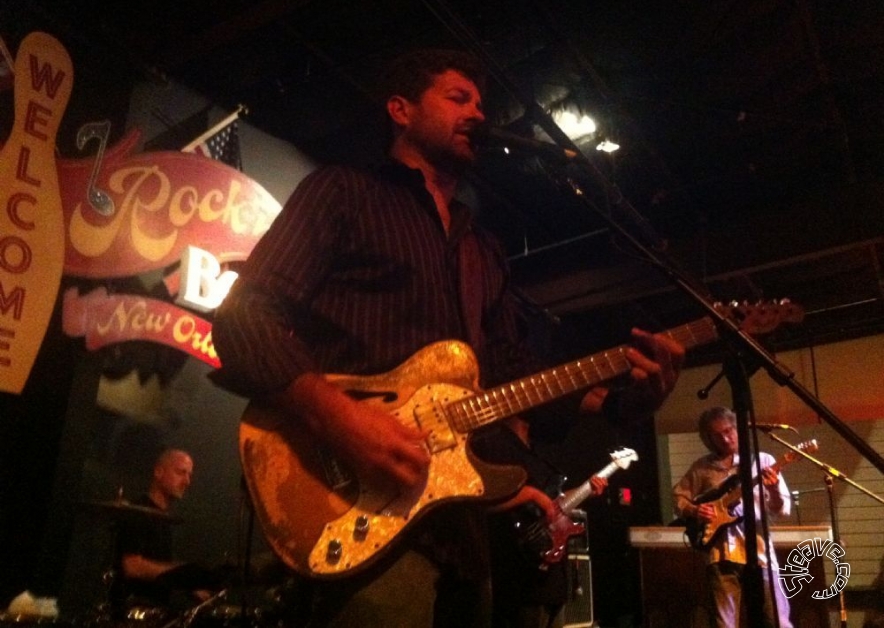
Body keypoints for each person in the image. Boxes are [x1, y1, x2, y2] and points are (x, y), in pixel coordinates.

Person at [210, 47, 684, 628]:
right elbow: (244, 315)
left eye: (481, 104)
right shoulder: (342, 193)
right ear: (401, 109)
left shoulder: (481, 249)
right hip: (355, 507)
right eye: (458, 98)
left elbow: (510, 373)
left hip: (461, 525)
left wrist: (618, 398)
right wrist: (339, 417)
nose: (477, 113)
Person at [472, 414, 609, 628]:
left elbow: (555, 503)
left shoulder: (535, 449)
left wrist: (587, 490)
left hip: (552, 576)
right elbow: (480, 501)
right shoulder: (494, 444)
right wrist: (531, 495)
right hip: (520, 573)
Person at [673, 406, 793, 628]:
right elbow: (678, 497)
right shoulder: (702, 467)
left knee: (776, 620)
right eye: (717, 435)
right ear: (708, 439)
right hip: (720, 554)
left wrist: (774, 488)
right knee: (724, 624)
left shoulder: (763, 460)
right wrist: (694, 510)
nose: (726, 438)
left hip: (759, 553)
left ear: (738, 429)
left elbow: (782, 509)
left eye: (729, 431)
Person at [113, 449, 218, 614]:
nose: (187, 481)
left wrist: (190, 586)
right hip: (131, 612)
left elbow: (157, 565)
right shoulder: (139, 512)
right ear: (158, 472)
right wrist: (184, 578)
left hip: (156, 611)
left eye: (189, 475)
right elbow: (132, 566)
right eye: (180, 472)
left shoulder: (164, 518)